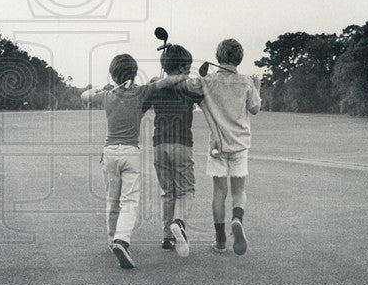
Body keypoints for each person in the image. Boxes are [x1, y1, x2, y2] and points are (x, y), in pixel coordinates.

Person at [81, 55, 187, 269]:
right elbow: (166, 82)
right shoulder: (140, 92)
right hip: (130, 152)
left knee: (112, 201)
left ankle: (113, 241)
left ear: (113, 74)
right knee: (129, 201)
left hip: (110, 153)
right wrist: (183, 74)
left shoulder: (107, 95)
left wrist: (100, 89)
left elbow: (84, 96)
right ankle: (122, 239)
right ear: (134, 72)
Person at [182, 39, 261, 255]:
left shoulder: (208, 81)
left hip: (217, 145)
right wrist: (258, 87)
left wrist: (202, 74)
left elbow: (191, 88)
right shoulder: (246, 82)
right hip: (240, 145)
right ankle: (237, 218)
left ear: (219, 56)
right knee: (239, 191)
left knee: (219, 192)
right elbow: (255, 108)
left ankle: (220, 240)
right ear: (239, 58)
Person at [144, 43, 197, 258]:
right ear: (184, 67)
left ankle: (167, 237)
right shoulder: (188, 86)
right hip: (182, 144)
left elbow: (142, 105)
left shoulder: (156, 85)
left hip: (159, 144)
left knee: (168, 191)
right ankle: (178, 223)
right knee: (186, 190)